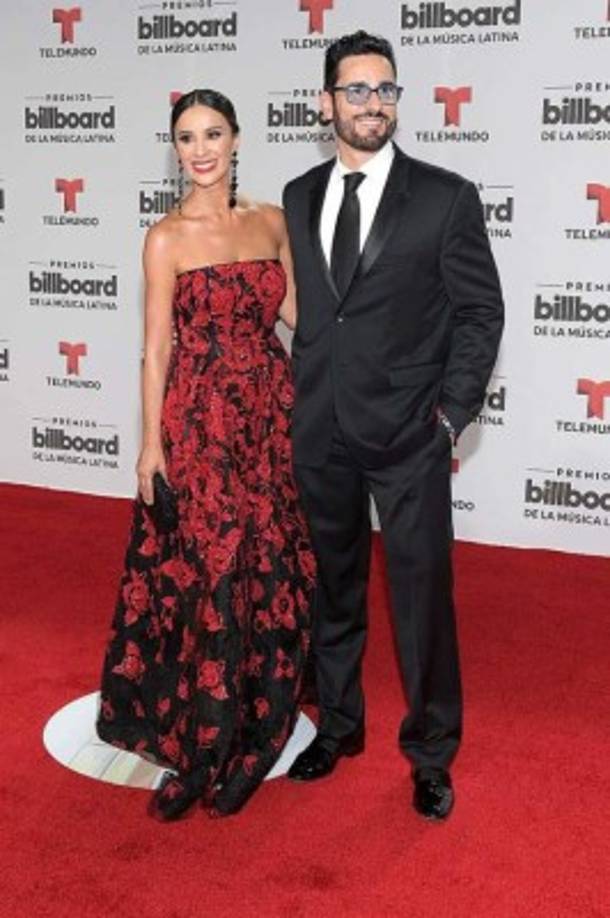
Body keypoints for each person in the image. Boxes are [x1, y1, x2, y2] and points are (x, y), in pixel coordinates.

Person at [283, 32, 504, 820]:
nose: (372, 103)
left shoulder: (445, 197)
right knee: (332, 589)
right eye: (356, 90)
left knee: (422, 600)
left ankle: (432, 753)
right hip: (322, 428)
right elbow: (318, 313)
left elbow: (481, 312)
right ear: (326, 103)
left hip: (411, 433)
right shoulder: (299, 195)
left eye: (385, 89)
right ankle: (339, 725)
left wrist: (449, 416)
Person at [96, 89, 315, 821]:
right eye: (186, 138)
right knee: (212, 567)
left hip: (270, 415)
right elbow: (157, 347)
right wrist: (150, 443)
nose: (200, 150)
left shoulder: (271, 222)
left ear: (236, 139)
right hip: (200, 419)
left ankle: (256, 723)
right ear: (175, 149)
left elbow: (300, 318)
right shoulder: (165, 238)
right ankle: (204, 743)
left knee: (267, 561)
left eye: (213, 134)